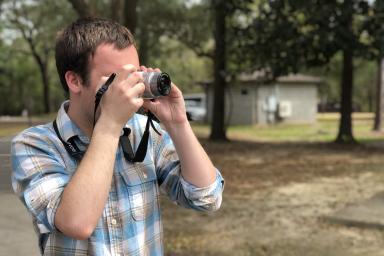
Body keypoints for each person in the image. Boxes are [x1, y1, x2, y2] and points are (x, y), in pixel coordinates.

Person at [11, 17, 224, 255]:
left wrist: (178, 123)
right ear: (74, 80)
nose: (128, 87)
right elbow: (76, 223)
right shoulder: (35, 145)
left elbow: (207, 198)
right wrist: (110, 124)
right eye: (116, 78)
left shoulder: (144, 133)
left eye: (133, 75)